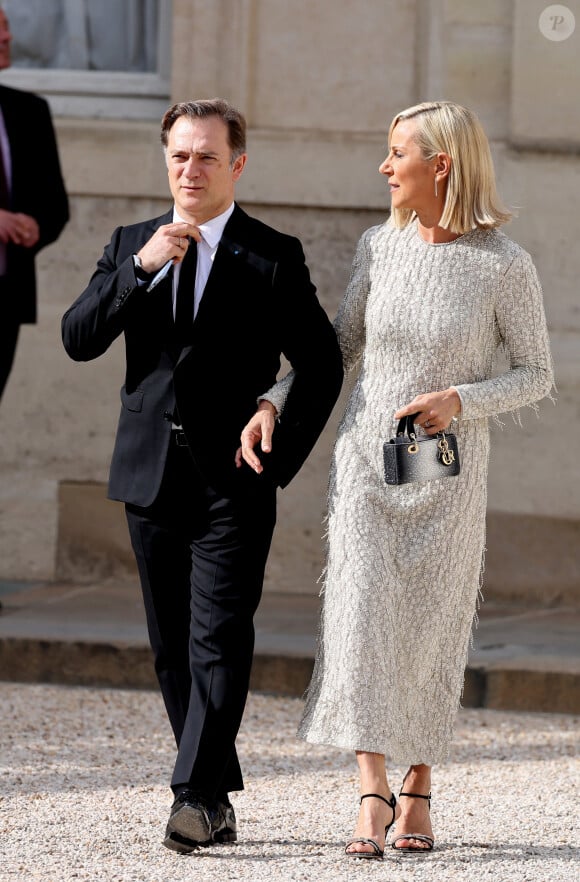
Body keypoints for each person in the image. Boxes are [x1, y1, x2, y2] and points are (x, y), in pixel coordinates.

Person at [240, 101, 553, 859]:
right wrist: (273, 402)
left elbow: (537, 374)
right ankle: (370, 792)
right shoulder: (379, 247)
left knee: (427, 633)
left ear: (439, 164)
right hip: (364, 471)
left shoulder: (502, 264)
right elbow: (338, 347)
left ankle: (418, 787)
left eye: (396, 152)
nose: (384, 167)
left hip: (445, 479)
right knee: (356, 624)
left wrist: (461, 400)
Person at [61, 98, 343, 854]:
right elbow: (77, 338)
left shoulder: (272, 255)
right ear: (167, 161)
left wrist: (275, 425)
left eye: (207, 156)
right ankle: (214, 795)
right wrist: (139, 269)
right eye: (180, 155)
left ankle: (191, 798)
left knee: (217, 636)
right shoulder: (131, 244)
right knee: (171, 647)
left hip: (234, 480)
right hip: (148, 475)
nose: (191, 168)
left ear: (237, 165)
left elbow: (321, 363)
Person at [0, 8, 69, 403]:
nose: (8, 38)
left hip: (5, 301)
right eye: (0, 29)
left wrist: (34, 225)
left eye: (7, 28)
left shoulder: (29, 112)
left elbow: (54, 205)